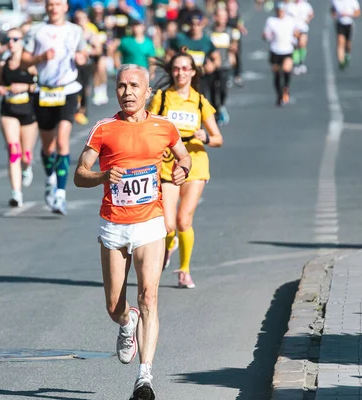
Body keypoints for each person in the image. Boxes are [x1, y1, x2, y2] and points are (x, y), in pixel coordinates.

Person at [74, 64, 191, 400]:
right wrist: (100, 176)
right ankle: (127, 323)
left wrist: (182, 169)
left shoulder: (164, 127)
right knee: (114, 305)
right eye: (121, 86)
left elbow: (183, 158)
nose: (127, 92)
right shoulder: (104, 128)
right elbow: (80, 174)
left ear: (147, 91)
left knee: (149, 296)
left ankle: (145, 377)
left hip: (150, 223)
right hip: (113, 224)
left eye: (134, 86)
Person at [148, 52, 223, 289]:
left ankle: (184, 270)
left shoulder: (200, 101)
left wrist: (207, 137)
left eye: (185, 68)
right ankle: (169, 245)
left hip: (195, 164)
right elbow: (148, 124)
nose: (181, 72)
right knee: (168, 224)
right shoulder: (161, 97)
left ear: (193, 72)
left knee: (183, 220)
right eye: (177, 68)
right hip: (168, 165)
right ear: (172, 72)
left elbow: (218, 138)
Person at [22, 0, 88, 215]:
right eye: (51, 4)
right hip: (44, 91)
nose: (54, 8)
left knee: (62, 141)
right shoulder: (36, 30)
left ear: (65, 7)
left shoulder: (75, 30)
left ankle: (60, 194)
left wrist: (81, 57)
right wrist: (41, 57)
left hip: (68, 89)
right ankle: (50, 178)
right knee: (48, 146)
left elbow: (84, 53)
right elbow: (23, 59)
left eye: (58, 4)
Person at [0, 28, 39, 207]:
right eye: (8, 39)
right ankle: (16, 193)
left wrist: (24, 87)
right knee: (14, 151)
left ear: (22, 41)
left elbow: (41, 87)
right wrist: (0, 89)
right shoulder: (3, 64)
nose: (11, 42)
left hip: (29, 111)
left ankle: (27, 168)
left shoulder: (31, 64)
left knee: (26, 156)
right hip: (9, 110)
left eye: (15, 39)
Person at [167, 10, 220, 100]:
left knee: (199, 102)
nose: (195, 27)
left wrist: (212, 66)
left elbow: (217, 59)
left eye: (198, 24)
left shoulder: (206, 41)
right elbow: (168, 55)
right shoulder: (180, 39)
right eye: (192, 24)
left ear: (202, 24)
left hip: (201, 78)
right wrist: (172, 65)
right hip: (182, 77)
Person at [263, 2, 300, 106]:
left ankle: (286, 89)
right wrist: (265, 36)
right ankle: (279, 94)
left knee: (286, 70)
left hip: (287, 50)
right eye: (279, 10)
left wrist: (296, 37)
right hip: (275, 50)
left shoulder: (290, 20)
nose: (280, 12)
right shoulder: (271, 21)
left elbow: (296, 32)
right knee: (277, 74)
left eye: (282, 10)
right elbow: (267, 35)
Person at [208, 5, 240, 125]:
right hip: (212, 66)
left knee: (222, 89)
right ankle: (215, 110)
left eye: (224, 17)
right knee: (211, 90)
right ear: (215, 17)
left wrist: (233, 51)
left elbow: (235, 47)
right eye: (220, 16)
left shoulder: (230, 31)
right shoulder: (209, 32)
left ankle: (220, 106)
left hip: (225, 65)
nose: (222, 19)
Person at [286, 0, 314, 75]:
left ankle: (301, 63)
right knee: (295, 47)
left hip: (302, 28)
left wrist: (307, 20)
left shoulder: (305, 5)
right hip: (293, 30)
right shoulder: (289, 6)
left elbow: (311, 14)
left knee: (302, 44)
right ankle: (295, 64)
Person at [331, 0, 361, 70]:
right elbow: (333, 10)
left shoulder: (353, 1)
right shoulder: (335, 1)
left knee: (348, 43)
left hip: (349, 24)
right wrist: (335, 15)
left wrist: (348, 14)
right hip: (340, 24)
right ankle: (341, 62)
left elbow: (358, 12)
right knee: (340, 42)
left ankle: (347, 54)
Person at [227, 0, 248, 87]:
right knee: (228, 59)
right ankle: (228, 77)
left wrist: (241, 28)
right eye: (230, 5)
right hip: (226, 41)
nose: (231, 7)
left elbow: (243, 28)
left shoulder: (238, 17)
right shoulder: (225, 16)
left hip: (236, 41)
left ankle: (237, 75)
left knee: (237, 58)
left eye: (233, 5)